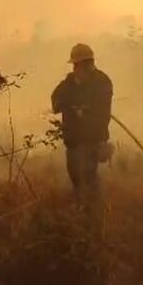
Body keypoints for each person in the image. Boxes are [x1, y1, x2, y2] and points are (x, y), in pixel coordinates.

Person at [51, 43, 114, 205]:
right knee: (76, 179)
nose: (78, 68)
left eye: (83, 64)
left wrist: (85, 110)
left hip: (93, 140)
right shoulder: (69, 83)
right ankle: (81, 209)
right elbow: (56, 103)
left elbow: (103, 110)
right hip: (73, 140)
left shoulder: (102, 82)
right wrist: (70, 103)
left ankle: (95, 211)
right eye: (76, 65)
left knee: (89, 177)